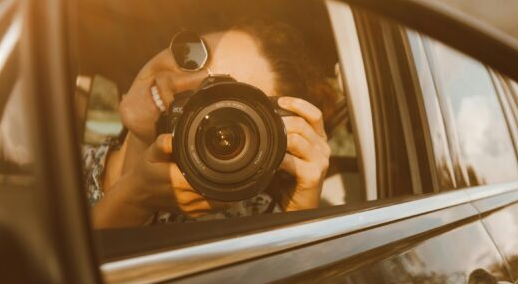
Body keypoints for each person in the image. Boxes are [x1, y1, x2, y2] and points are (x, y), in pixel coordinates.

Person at [85, 22, 334, 228]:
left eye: (219, 97)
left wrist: (299, 221)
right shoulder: (51, 164)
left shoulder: (246, 224)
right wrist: (132, 198)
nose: (180, 83)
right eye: (193, 54)